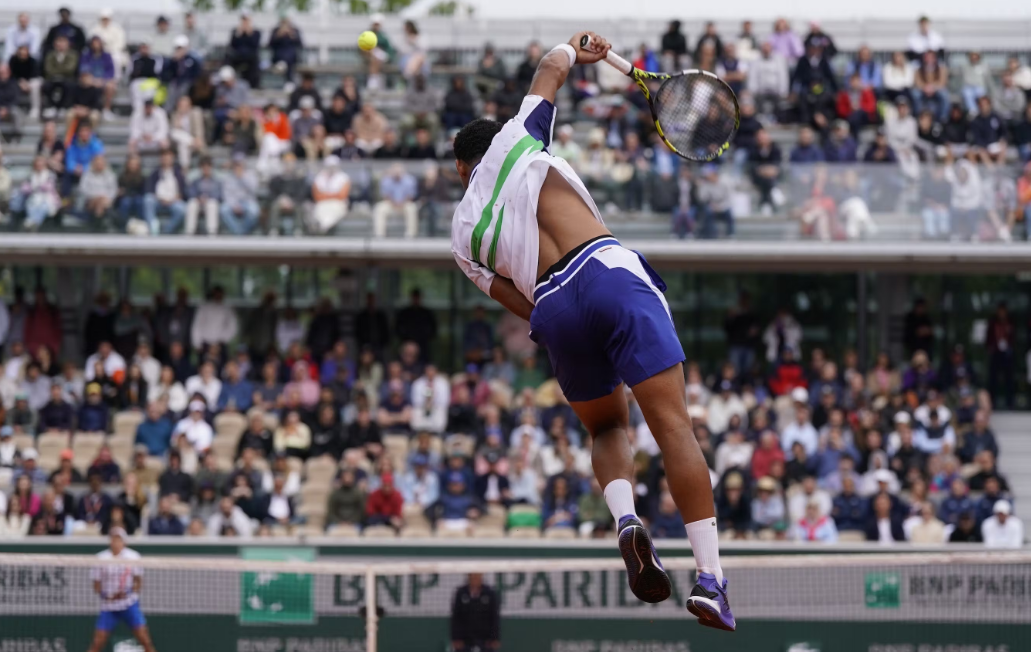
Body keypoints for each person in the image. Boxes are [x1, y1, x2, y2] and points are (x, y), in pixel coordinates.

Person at [449, 31, 733, 629]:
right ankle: (711, 580)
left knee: (607, 425)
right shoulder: (516, 138)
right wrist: (581, 47)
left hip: (551, 307)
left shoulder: (461, 234)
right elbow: (553, 66)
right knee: (672, 424)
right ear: (492, 138)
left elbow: (517, 302)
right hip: (603, 268)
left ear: (458, 170)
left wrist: (559, 320)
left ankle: (627, 518)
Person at [87, 528, 156, 652]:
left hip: (129, 604)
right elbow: (96, 586)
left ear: (124, 542)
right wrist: (108, 596)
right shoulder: (101, 558)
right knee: (97, 643)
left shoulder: (133, 556)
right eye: (114, 539)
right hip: (108, 606)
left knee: (145, 640)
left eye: (119, 539)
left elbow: (138, 582)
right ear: (110, 541)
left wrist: (127, 593)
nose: (116, 542)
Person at [450, 573, 500, 652]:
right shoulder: (461, 593)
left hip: (485, 640)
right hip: (465, 640)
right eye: (473, 575)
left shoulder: (490, 593)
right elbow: (456, 617)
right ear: (469, 576)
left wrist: (495, 638)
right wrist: (456, 638)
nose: (475, 578)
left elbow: (494, 617)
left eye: (478, 575)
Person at [143, 149, 187, 234]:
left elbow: (183, 191)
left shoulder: (178, 174)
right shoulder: (155, 173)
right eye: (164, 158)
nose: (166, 160)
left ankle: (166, 231)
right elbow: (150, 189)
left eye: (168, 158)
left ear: (172, 159)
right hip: (158, 200)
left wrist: (177, 197)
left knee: (182, 209)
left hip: (173, 201)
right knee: (148, 199)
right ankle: (153, 229)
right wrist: (159, 198)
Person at [373, 164, 419, 238]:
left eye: (399, 172)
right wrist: (393, 203)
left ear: (403, 172)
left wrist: (402, 203)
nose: (397, 173)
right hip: (391, 204)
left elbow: (411, 196)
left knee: (412, 208)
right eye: (395, 172)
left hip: (405, 204)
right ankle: (380, 235)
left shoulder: (409, 180)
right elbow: (385, 196)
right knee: (379, 208)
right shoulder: (386, 180)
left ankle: (410, 235)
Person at [309, 155, 351, 235]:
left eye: (333, 166)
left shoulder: (343, 177)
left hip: (338, 203)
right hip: (322, 203)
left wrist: (325, 195)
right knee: (319, 210)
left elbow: (342, 195)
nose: (331, 168)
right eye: (329, 166)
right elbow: (316, 195)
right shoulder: (319, 177)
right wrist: (333, 195)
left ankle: (323, 228)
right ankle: (323, 228)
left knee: (334, 211)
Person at [220, 155, 260, 235]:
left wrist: (242, 177)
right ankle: (238, 232)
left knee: (254, 211)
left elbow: (254, 190)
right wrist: (234, 205)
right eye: (236, 165)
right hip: (233, 203)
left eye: (240, 164)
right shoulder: (229, 177)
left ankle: (241, 232)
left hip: (248, 202)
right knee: (223, 210)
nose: (238, 167)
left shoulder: (250, 175)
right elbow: (226, 194)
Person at [185, 156, 222, 236]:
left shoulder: (216, 181)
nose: (206, 169)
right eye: (204, 167)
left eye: (208, 167)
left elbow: (218, 195)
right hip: (198, 202)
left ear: (211, 168)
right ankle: (189, 232)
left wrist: (207, 198)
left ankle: (212, 233)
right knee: (192, 203)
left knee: (212, 204)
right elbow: (190, 193)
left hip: (209, 202)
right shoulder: (196, 181)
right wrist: (198, 198)